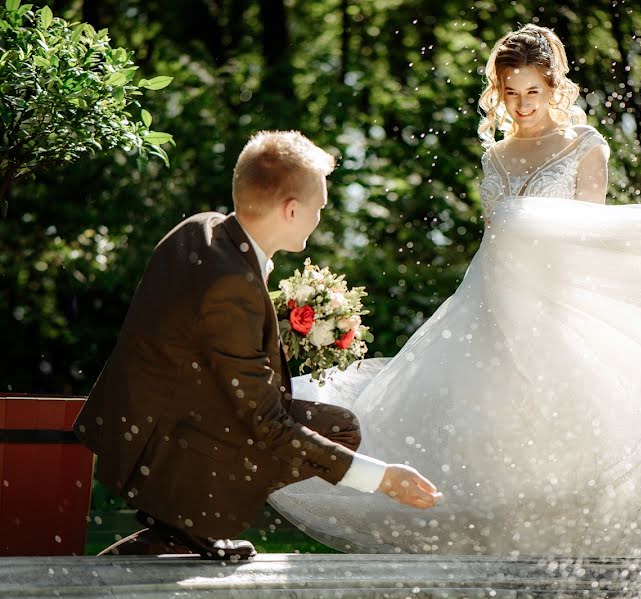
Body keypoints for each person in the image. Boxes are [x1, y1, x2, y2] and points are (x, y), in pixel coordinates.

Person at [269, 25, 641, 557]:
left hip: (557, 301)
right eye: (510, 92)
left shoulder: (586, 148)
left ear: (554, 86)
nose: (521, 104)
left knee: (557, 417)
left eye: (532, 92)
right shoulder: (495, 155)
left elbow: (591, 235)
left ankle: (557, 537)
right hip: (490, 299)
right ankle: (492, 542)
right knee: (472, 419)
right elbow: (492, 235)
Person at [73, 131, 442, 561]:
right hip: (168, 447)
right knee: (324, 432)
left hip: (144, 426)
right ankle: (191, 517)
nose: (320, 218)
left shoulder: (203, 228)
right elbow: (267, 423)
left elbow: (199, 345)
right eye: (318, 208)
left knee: (335, 424)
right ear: (290, 210)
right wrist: (382, 479)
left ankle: (174, 529)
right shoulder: (232, 285)